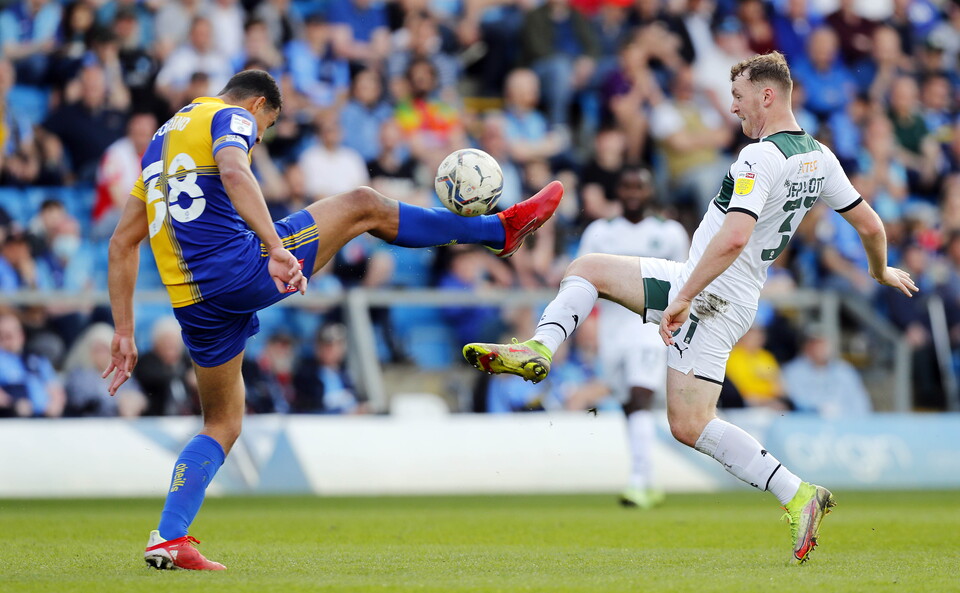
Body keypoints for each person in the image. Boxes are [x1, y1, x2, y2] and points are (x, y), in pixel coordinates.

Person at [463, 52, 918, 564]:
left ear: (767, 96)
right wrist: (880, 270)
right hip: (735, 296)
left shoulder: (759, 158)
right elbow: (873, 227)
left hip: (708, 290)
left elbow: (734, 237)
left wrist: (682, 297)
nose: (733, 108)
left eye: (740, 98)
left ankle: (541, 349)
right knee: (681, 409)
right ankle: (798, 493)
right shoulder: (821, 158)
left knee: (675, 401)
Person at [102, 69, 563, 570]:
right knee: (363, 204)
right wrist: (276, 249)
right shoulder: (230, 116)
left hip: (194, 302)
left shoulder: (160, 141)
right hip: (239, 267)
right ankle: (501, 228)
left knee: (221, 422)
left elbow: (122, 242)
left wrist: (124, 330)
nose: (259, 137)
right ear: (258, 105)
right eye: (266, 129)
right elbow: (235, 172)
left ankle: (169, 537)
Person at [576, 166, 689, 509]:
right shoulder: (599, 233)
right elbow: (582, 280)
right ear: (618, 192)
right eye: (627, 187)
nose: (633, 193)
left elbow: (686, 283)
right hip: (613, 331)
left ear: (650, 190)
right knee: (629, 404)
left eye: (640, 186)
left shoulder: (669, 233)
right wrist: (587, 323)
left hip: (649, 330)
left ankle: (639, 481)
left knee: (640, 397)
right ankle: (649, 479)